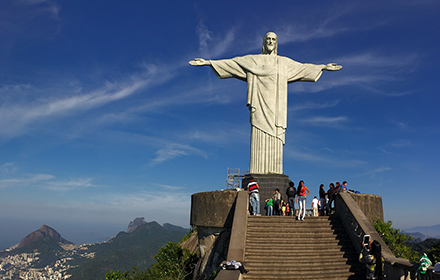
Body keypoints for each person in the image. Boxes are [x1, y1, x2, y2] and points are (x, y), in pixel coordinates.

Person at [189, 32, 342, 175]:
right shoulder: (253, 60)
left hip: (276, 108)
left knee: (275, 135)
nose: (270, 42)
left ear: (276, 44)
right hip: (259, 105)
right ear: (264, 42)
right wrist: (208, 62)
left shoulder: (283, 63)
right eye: (268, 39)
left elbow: (302, 68)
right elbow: (233, 63)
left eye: (273, 39)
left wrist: (322, 66)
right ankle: (257, 171)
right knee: (258, 131)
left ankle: (274, 171)